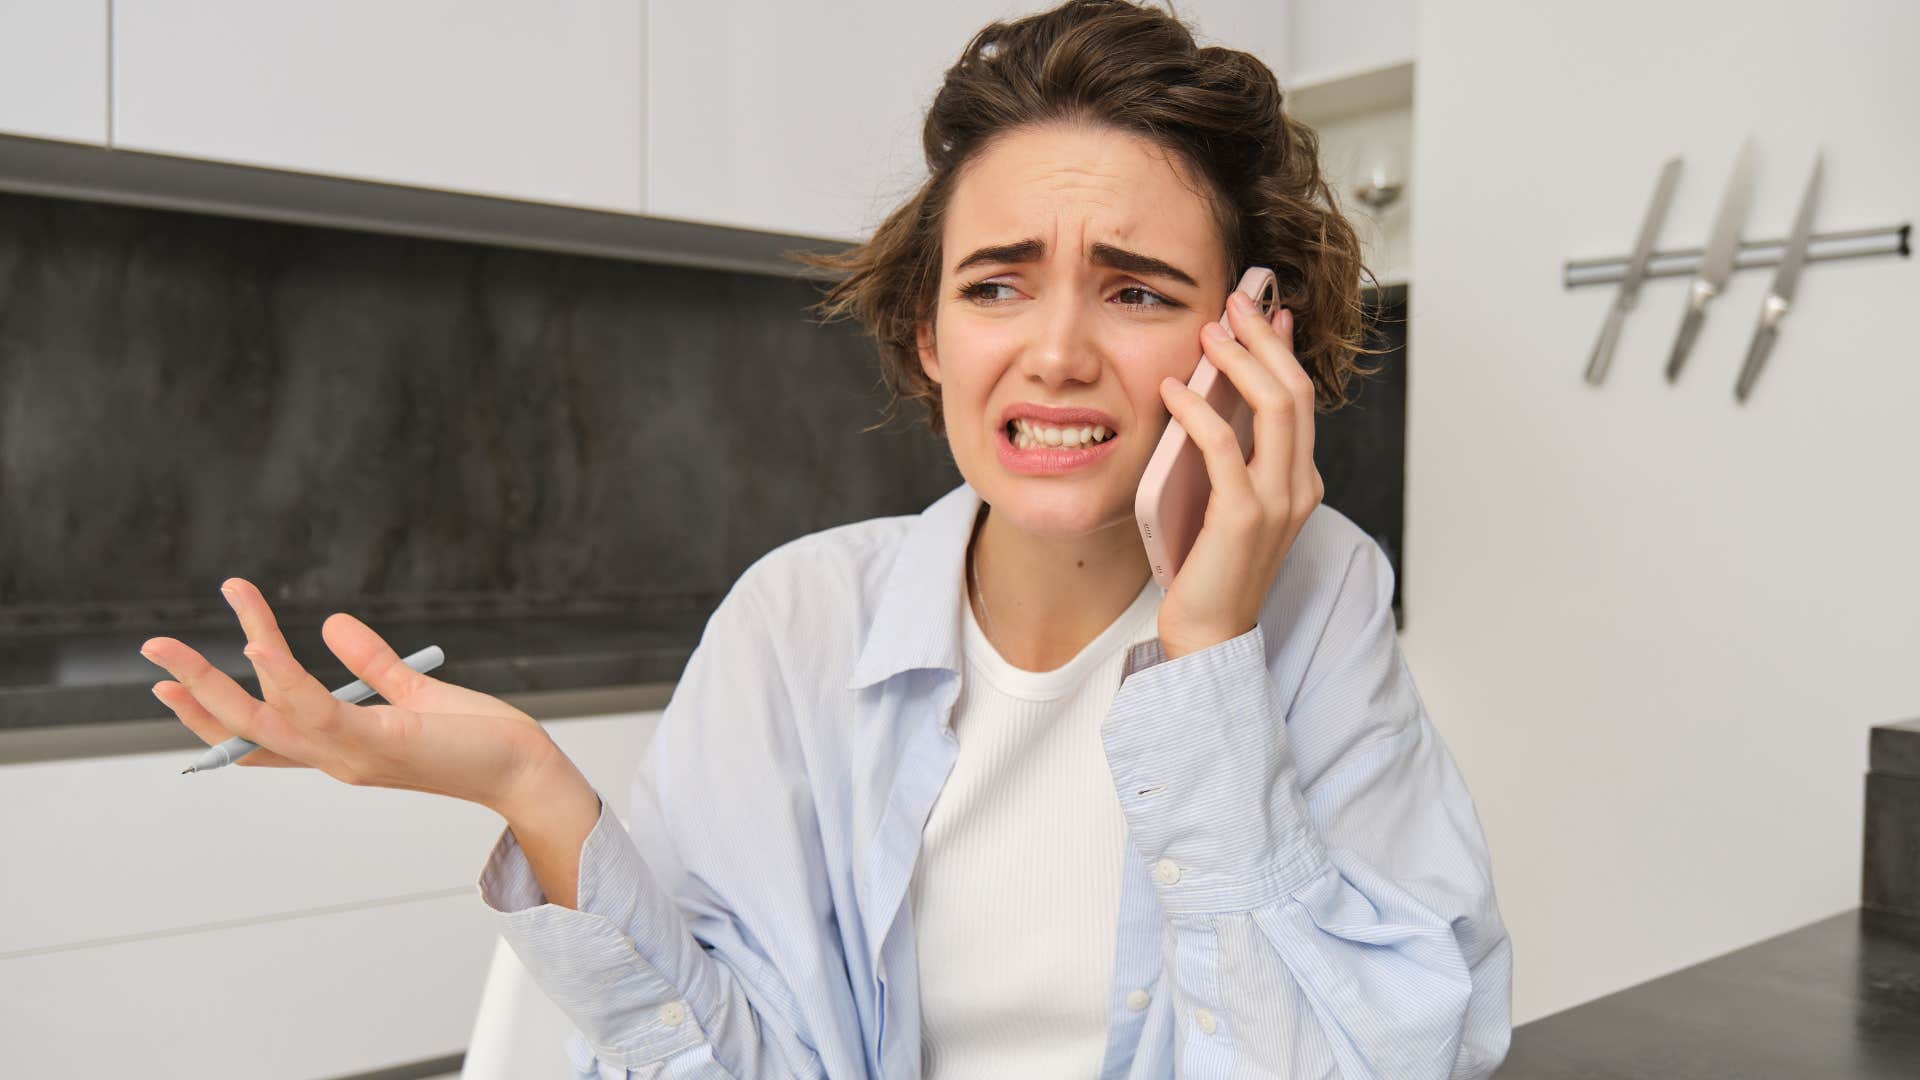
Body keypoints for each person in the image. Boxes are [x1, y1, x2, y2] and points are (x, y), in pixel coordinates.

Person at [138, 1, 1512, 1076]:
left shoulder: (1319, 602)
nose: (1056, 352)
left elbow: (1382, 1059)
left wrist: (1209, 654)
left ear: (1245, 336)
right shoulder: (800, 621)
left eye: (1138, 291)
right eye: (997, 284)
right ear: (929, 332)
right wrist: (533, 787)